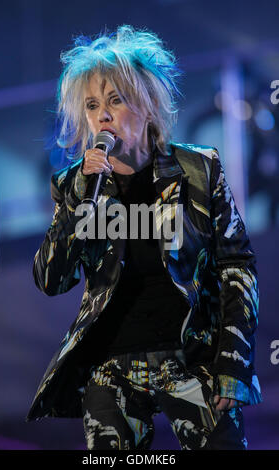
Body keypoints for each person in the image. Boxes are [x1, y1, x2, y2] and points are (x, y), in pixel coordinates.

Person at [26, 25, 262, 450]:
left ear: (148, 105)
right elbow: (50, 280)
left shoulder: (198, 170)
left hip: (191, 358)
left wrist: (233, 365)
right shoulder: (73, 185)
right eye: (93, 105)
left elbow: (236, 268)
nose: (103, 116)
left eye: (116, 100)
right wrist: (81, 198)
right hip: (111, 366)